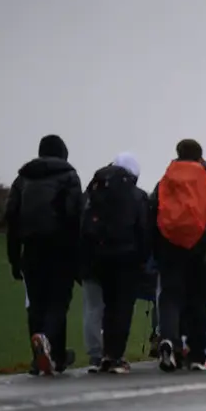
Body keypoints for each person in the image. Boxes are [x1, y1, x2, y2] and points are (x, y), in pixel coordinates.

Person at [149, 139, 206, 372]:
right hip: (200, 247)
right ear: (200, 156)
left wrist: (153, 248)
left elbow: (153, 213)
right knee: (198, 299)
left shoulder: (165, 180)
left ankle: (168, 339)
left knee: (169, 296)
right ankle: (197, 355)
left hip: (169, 246)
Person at [6, 133, 83, 375]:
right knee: (58, 302)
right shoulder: (69, 177)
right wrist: (78, 258)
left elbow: (12, 219)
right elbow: (75, 217)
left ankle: (47, 357)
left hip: (30, 248)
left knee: (37, 304)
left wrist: (14, 259)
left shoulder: (22, 178)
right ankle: (48, 344)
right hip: (61, 248)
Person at [79, 153, 149, 373]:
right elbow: (143, 230)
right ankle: (114, 356)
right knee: (121, 308)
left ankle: (97, 356)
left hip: (95, 258)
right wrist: (142, 260)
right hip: (126, 259)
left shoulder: (93, 190)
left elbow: (82, 223)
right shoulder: (138, 196)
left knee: (97, 307)